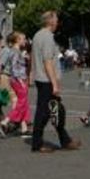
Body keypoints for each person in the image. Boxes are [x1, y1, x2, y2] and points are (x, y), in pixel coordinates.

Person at [31, 12, 80, 153]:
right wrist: (54, 83)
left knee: (56, 110)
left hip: (42, 78)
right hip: (46, 80)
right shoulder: (47, 37)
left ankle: (65, 140)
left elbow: (34, 57)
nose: (58, 23)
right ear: (51, 21)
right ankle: (37, 143)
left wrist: (31, 73)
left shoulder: (37, 35)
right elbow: (47, 62)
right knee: (44, 112)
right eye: (56, 20)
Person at [3, 32, 30, 137]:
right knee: (21, 102)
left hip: (19, 79)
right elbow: (14, 68)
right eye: (23, 39)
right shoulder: (15, 52)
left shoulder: (17, 51)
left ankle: (24, 128)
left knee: (24, 103)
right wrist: (20, 81)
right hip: (18, 80)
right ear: (18, 40)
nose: (25, 41)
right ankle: (6, 121)